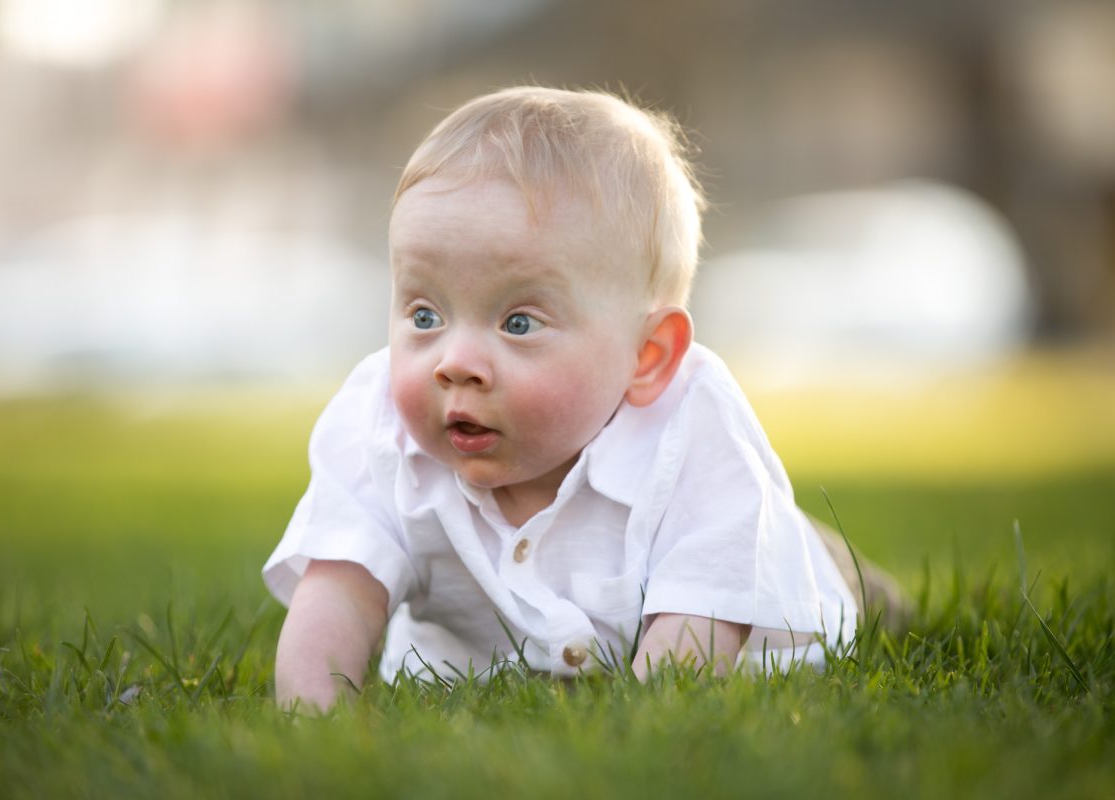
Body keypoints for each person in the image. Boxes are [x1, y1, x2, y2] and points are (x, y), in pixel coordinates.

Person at [264, 86, 902, 712]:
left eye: (518, 323)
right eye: (425, 314)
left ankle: (872, 585)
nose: (455, 363)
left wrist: (644, 723)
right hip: (484, 665)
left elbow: (701, 620)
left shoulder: (695, 430)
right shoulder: (381, 431)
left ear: (646, 356)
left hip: (760, 594)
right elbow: (338, 592)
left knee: (818, 563)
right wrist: (314, 721)